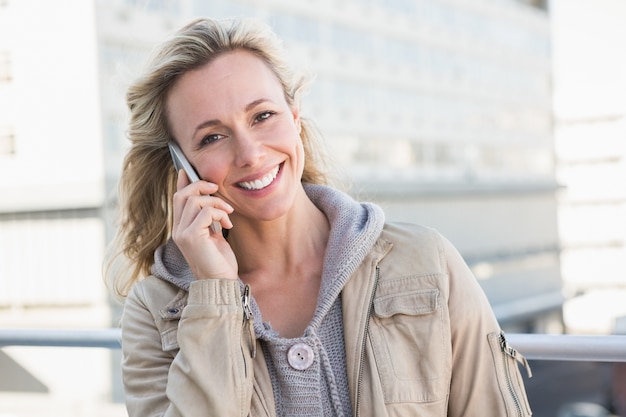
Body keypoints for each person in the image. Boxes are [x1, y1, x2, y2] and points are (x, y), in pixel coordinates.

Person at [106, 17, 533, 417]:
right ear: (182, 164)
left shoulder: (427, 261)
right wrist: (214, 295)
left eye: (263, 116)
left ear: (294, 118)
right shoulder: (155, 312)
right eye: (212, 137)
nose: (250, 154)